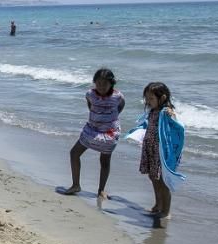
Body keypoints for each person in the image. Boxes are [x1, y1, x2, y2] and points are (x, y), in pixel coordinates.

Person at [58, 68, 125, 201]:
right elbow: (91, 106)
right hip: (92, 129)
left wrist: (108, 119)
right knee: (74, 153)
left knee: (104, 161)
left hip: (109, 132)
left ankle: (101, 190)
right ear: (94, 83)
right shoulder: (90, 94)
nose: (101, 87)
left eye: (104, 84)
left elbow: (120, 108)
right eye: (98, 83)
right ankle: (76, 185)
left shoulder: (118, 97)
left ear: (111, 84)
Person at [130, 82, 186, 221]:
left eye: (151, 99)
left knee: (163, 181)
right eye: (146, 98)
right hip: (150, 148)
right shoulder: (152, 110)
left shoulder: (165, 111)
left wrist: (170, 113)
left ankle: (166, 211)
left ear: (162, 98)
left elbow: (176, 123)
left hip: (161, 152)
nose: (148, 102)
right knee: (153, 177)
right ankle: (157, 205)